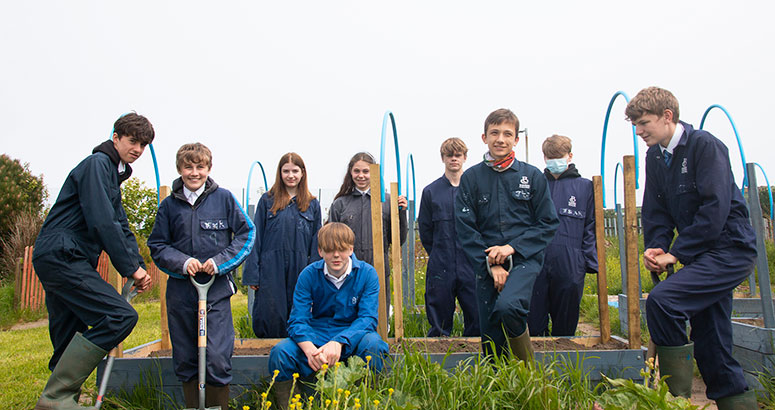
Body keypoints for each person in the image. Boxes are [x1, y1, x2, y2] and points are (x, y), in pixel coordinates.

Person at [626, 87, 757, 408]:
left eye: (644, 123)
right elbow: (656, 210)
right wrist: (657, 247)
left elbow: (715, 208)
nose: (639, 131)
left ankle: (676, 400)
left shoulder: (705, 147)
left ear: (667, 117)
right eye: (635, 125)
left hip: (730, 250)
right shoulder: (655, 156)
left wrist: (677, 253)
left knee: (662, 301)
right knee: (712, 343)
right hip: (701, 257)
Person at [32, 113, 154, 410]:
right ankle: (56, 396)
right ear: (116, 138)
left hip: (62, 256)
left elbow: (121, 224)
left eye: (143, 145)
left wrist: (138, 264)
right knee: (120, 316)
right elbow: (102, 222)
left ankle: (62, 399)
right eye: (132, 141)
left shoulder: (112, 173)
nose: (138, 149)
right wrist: (130, 267)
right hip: (63, 255)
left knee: (68, 330)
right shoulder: (97, 166)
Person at [147, 143, 255, 409]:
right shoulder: (169, 206)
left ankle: (219, 405)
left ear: (208, 168)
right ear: (180, 169)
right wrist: (184, 263)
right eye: (188, 167)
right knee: (185, 356)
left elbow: (246, 233)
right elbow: (157, 245)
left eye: (200, 167)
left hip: (215, 291)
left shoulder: (225, 199)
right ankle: (193, 405)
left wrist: (218, 263)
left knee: (217, 355)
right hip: (182, 292)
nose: (194, 173)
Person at [455, 108, 559, 360]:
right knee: (490, 328)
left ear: (516, 139)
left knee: (509, 307)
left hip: (524, 260)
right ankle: (499, 385)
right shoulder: (471, 178)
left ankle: (527, 371)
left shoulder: (531, 176)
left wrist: (512, 248)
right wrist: (491, 264)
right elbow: (465, 227)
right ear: (484, 138)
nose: (500, 139)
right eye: (494, 133)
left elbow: (548, 222)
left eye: (507, 134)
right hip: (485, 262)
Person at [268, 222, 389, 408]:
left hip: (352, 336)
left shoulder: (367, 274)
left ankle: (366, 400)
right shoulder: (308, 275)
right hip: (316, 336)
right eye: (330, 250)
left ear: (351, 249)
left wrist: (339, 341)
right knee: (281, 352)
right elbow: (297, 320)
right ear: (320, 251)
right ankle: (292, 403)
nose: (336, 255)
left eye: (341, 249)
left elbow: (368, 319)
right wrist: (309, 349)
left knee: (374, 345)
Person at [242, 152, 322, 338]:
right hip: (271, 267)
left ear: (302, 173)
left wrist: (315, 274)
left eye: (295, 171)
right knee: (270, 309)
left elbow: (317, 243)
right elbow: (256, 238)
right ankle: (268, 349)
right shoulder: (267, 201)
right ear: (280, 173)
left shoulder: (312, 204)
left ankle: (300, 346)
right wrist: (253, 274)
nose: (291, 175)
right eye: (286, 171)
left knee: (299, 307)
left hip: (301, 266)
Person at [527, 135, 597, 337]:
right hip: (537, 259)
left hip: (571, 261)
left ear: (570, 156)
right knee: (533, 320)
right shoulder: (535, 184)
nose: (554, 161)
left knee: (566, 322)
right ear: (544, 158)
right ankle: (534, 365)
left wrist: (586, 261)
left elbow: (591, 226)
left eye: (559, 156)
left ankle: (563, 363)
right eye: (550, 157)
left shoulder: (585, 187)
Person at [328, 152, 408, 312]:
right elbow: (330, 241)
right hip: (347, 270)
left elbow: (398, 239)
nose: (361, 176)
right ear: (350, 172)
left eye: (366, 171)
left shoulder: (387, 202)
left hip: (378, 269)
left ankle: (379, 336)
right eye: (357, 171)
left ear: (374, 173)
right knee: (347, 311)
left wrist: (402, 213)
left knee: (377, 312)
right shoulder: (340, 204)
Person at [418, 137, 480, 337]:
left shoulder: (475, 190)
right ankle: (438, 359)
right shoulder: (431, 191)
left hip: (471, 262)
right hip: (441, 261)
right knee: (439, 311)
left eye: (458, 155)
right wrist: (437, 253)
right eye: (449, 155)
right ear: (443, 158)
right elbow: (425, 229)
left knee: (477, 311)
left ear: (465, 158)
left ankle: (476, 356)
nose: (454, 159)